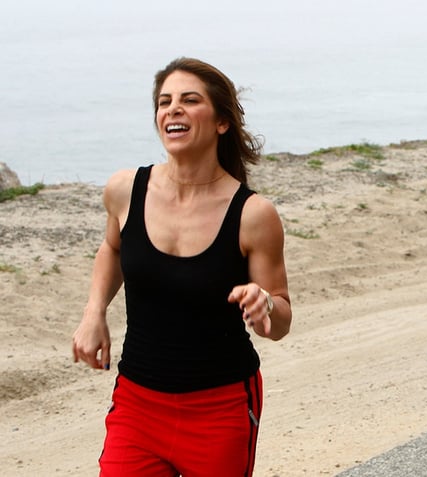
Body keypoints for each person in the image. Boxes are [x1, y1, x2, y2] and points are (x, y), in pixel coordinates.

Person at [71, 57, 292, 477]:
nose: (172, 109)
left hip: (221, 407)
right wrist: (94, 312)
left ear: (222, 122)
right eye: (164, 101)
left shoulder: (253, 215)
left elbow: (280, 322)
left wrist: (265, 305)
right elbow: (112, 249)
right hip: (137, 402)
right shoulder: (124, 189)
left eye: (190, 100)